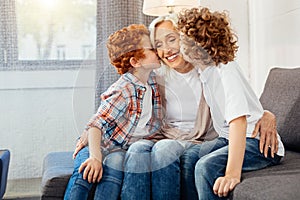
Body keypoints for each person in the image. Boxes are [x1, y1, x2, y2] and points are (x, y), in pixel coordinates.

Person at [74, 15, 279, 199]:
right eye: (158, 45)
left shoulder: (206, 69)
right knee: (140, 150)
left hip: (198, 139)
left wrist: (267, 114)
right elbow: (118, 101)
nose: (167, 50)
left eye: (172, 39)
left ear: (184, 39)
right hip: (166, 136)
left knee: (169, 150)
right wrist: (92, 130)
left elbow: (240, 106)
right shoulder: (157, 75)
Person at [177, 7, 285, 199]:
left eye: (181, 40)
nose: (178, 45)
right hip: (229, 138)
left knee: (205, 166)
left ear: (196, 46)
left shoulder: (225, 70)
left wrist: (231, 174)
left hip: (259, 145)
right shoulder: (205, 70)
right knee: (189, 158)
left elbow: (239, 121)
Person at [64, 24, 162, 200]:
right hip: (97, 144)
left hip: (118, 149)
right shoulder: (124, 88)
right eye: (152, 48)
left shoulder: (152, 82)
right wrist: (95, 157)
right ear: (135, 62)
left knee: (113, 172)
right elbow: (96, 125)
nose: (158, 51)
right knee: (83, 177)